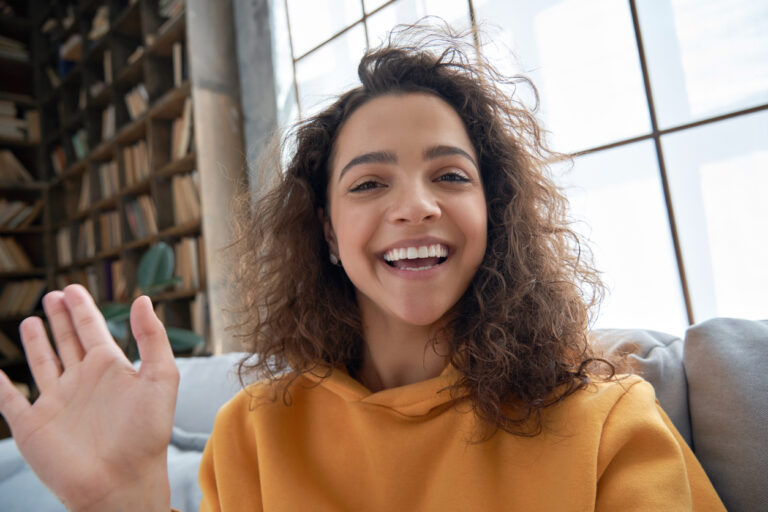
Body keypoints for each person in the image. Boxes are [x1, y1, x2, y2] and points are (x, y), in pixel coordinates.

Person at [0, 25, 725, 511]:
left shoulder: (608, 424)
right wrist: (128, 498)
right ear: (326, 231)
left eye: (450, 176)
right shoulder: (253, 434)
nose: (415, 207)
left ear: (493, 212)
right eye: (369, 184)